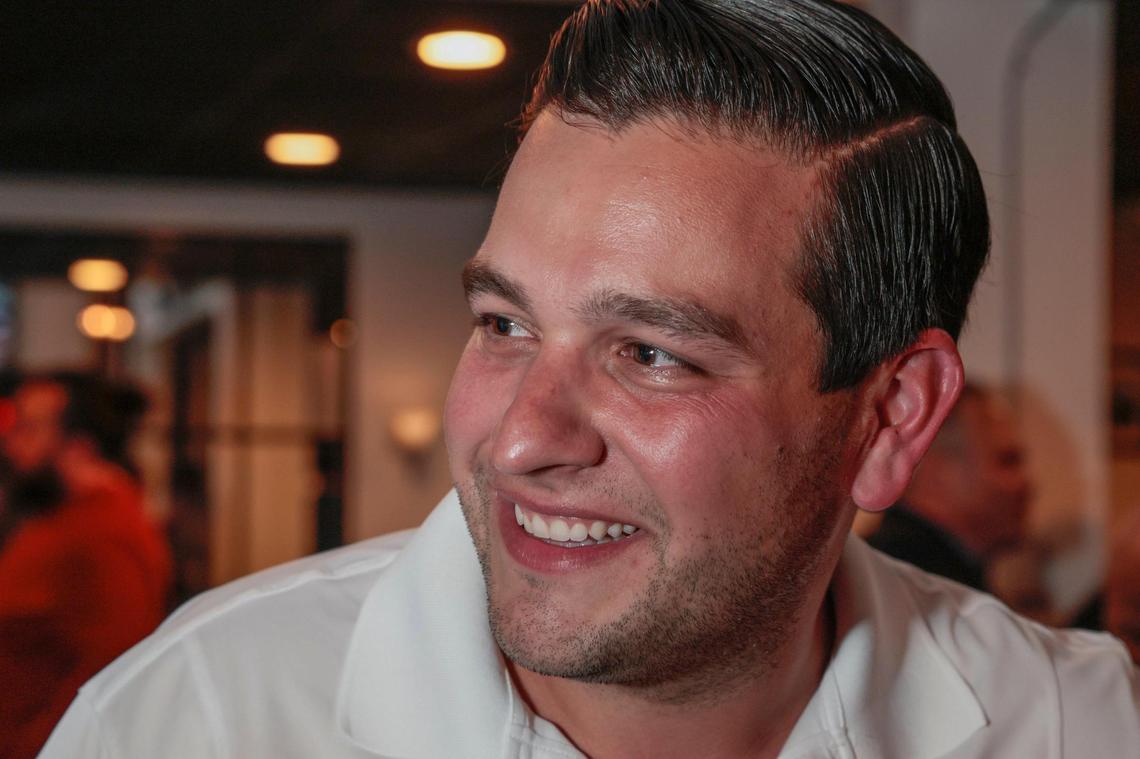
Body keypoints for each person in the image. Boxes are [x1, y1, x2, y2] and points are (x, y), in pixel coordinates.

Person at [43, 1, 1140, 757]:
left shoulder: (1076, 723)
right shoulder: (196, 719)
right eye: (504, 323)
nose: (521, 438)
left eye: (651, 353)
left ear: (890, 417)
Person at [0, 372, 171, 758]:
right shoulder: (63, 517)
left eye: (28, 428)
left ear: (79, 446)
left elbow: (113, 674)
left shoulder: (106, 534)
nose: (11, 444)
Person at [866, 384, 1031, 591]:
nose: (1025, 482)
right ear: (937, 470)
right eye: (1007, 461)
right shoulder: (917, 583)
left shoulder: (886, 567)